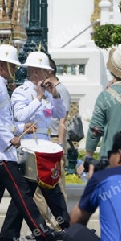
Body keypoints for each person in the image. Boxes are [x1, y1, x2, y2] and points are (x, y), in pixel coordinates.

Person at [0, 44, 62, 241]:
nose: (15, 70)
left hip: (0, 150)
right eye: (12, 65)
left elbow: (3, 118)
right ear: (2, 65)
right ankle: (42, 232)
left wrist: (20, 128)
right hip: (1, 151)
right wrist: (11, 137)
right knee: (22, 193)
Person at [0, 51, 70, 241]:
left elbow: (60, 113)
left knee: (33, 192)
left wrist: (53, 95)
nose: (48, 74)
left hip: (45, 145)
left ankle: (8, 236)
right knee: (41, 191)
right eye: (46, 71)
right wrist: (37, 98)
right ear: (36, 71)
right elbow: (19, 116)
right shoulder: (22, 92)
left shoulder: (47, 93)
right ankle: (66, 228)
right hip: (29, 145)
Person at [34, 58, 71, 231]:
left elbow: (63, 118)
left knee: (57, 183)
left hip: (56, 138)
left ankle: (60, 222)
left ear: (48, 71)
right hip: (44, 139)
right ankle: (43, 221)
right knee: (39, 184)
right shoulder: (43, 90)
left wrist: (61, 144)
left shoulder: (61, 89)